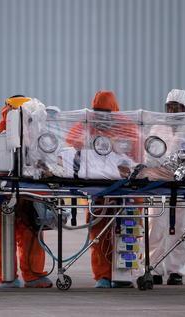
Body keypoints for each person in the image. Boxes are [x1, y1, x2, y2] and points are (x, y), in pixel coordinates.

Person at [66, 91, 140, 288]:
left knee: (128, 230)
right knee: (98, 233)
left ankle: (125, 272)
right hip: (98, 189)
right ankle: (103, 275)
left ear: (114, 111)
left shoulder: (127, 126)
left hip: (125, 190)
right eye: (97, 112)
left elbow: (138, 156)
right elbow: (70, 145)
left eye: (105, 113)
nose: (101, 117)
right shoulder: (86, 124)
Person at [0, 95, 52, 288]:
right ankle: (5, 276)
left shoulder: (34, 131)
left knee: (32, 232)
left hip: (29, 191)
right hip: (2, 193)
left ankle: (33, 274)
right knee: (0, 236)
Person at [148, 89, 185, 286]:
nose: (173, 112)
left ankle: (176, 271)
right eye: (169, 107)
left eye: (177, 108)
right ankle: (154, 267)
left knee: (182, 229)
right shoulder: (157, 128)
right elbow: (149, 154)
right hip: (160, 186)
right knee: (155, 228)